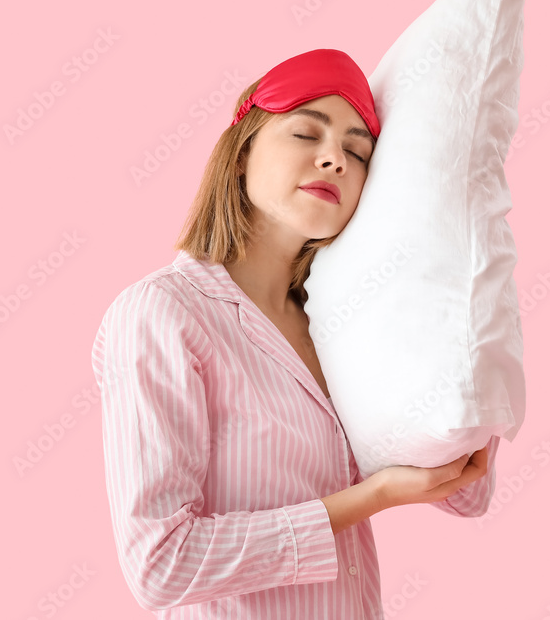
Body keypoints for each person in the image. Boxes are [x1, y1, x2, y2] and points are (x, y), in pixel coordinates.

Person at [90, 49, 499, 619]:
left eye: (357, 152)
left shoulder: (345, 325)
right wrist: (370, 498)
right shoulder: (162, 314)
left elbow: (470, 492)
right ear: (240, 155)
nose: (334, 159)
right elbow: (161, 563)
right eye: (306, 134)